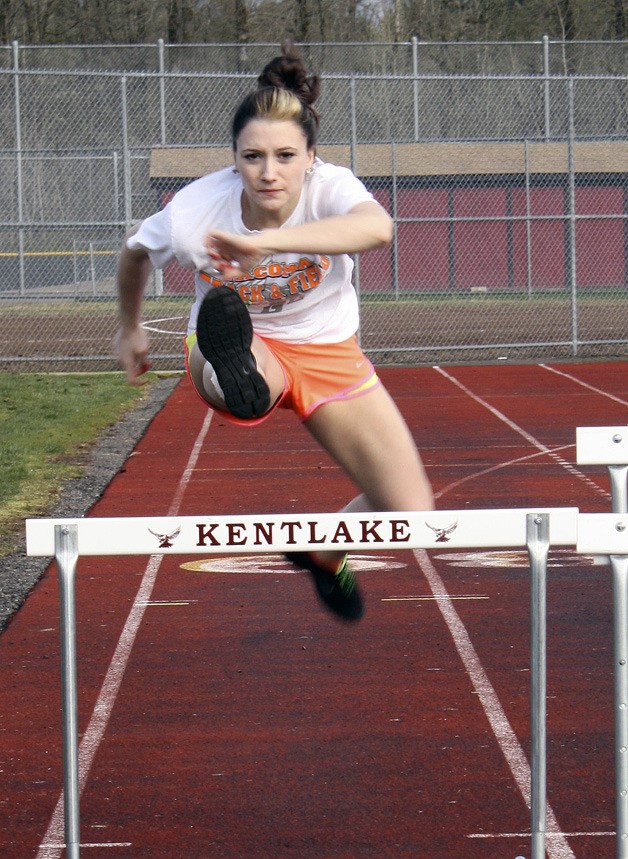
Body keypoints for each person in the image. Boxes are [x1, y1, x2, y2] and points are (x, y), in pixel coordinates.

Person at [115, 40, 434, 622]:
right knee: (247, 375)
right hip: (254, 345)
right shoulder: (195, 212)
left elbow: (378, 229)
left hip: (331, 351)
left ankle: (325, 550)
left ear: (310, 156)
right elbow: (136, 252)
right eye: (252, 157)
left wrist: (262, 244)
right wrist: (130, 327)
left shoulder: (331, 187)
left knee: (411, 512)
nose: (269, 173)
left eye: (285, 156)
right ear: (232, 159)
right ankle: (231, 369)